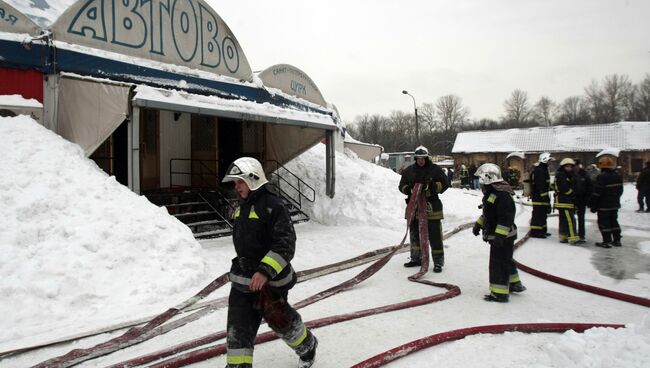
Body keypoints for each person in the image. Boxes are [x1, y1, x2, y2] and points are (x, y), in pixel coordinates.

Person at [221, 157, 317, 368]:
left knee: (281, 322)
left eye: (240, 182)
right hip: (243, 281)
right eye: (235, 183)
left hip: (270, 283)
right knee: (238, 330)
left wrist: (264, 271)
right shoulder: (241, 206)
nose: (236, 188)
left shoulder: (274, 206)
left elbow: (285, 244)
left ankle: (307, 346)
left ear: (253, 179)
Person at [472, 163, 525, 303]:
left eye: (482, 180)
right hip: (501, 236)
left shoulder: (502, 195)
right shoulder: (493, 193)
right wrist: (478, 224)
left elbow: (506, 218)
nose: (480, 183)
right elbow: (489, 214)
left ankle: (499, 293)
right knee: (505, 260)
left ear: (488, 179)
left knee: (498, 263)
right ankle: (514, 284)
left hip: (503, 237)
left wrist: (500, 236)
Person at [399, 145, 449, 272]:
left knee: (435, 235)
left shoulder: (435, 170)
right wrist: (409, 189)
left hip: (431, 207)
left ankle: (438, 261)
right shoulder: (409, 171)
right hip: (414, 208)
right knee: (414, 233)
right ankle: (416, 258)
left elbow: (445, 184)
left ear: (427, 158)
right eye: (418, 158)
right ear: (415, 158)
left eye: (423, 158)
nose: (421, 160)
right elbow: (401, 186)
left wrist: (432, 187)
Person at [589, 154, 624, 248]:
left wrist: (593, 205)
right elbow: (620, 190)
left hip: (603, 205)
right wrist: (615, 199)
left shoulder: (602, 177)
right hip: (615, 204)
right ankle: (617, 240)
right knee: (614, 221)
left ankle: (607, 241)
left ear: (601, 165)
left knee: (604, 223)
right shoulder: (617, 175)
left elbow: (597, 193)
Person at [553, 158, 579, 245]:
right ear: (563, 167)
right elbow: (563, 189)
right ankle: (573, 237)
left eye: (570, 167)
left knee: (563, 219)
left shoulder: (567, 175)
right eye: (567, 167)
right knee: (570, 220)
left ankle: (563, 237)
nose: (569, 168)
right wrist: (572, 192)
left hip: (563, 201)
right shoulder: (561, 175)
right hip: (564, 201)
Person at [529, 152, 553, 238]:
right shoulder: (540, 170)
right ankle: (536, 232)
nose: (551, 162)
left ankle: (542, 231)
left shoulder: (544, 169)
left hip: (543, 197)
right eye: (549, 160)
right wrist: (543, 197)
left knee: (543, 214)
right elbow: (540, 185)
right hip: (539, 197)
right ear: (545, 160)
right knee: (537, 215)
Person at [573, 159, 593, 243]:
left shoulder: (584, 174)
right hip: (572, 199)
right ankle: (572, 234)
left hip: (582, 199)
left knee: (581, 218)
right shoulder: (570, 174)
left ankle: (581, 235)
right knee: (571, 218)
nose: (575, 167)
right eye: (574, 166)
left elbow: (590, 187)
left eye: (576, 165)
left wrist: (588, 198)